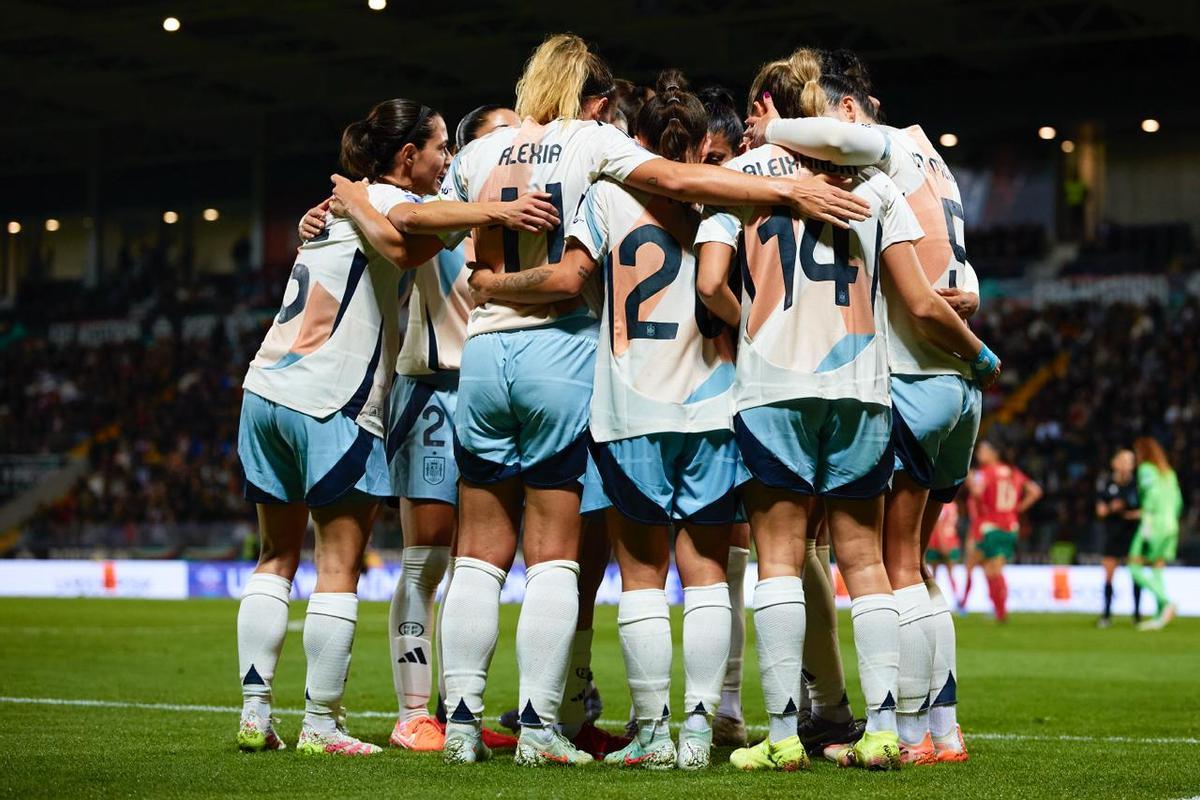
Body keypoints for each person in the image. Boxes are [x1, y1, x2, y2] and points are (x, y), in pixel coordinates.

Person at [420, 33, 871, 769]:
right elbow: (695, 225)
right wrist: (787, 186)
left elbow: (423, 224)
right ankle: (676, 729)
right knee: (649, 571)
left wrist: (480, 271)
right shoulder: (670, 182)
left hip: (557, 380)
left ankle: (473, 724)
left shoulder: (495, 160)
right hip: (688, 399)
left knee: (489, 557)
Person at [694, 49, 999, 773]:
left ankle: (780, 736)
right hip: (864, 388)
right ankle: (889, 730)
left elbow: (711, 284)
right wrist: (978, 333)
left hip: (774, 386)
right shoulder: (876, 185)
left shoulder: (735, 175)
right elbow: (922, 294)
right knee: (869, 564)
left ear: (769, 111)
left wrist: (759, 330)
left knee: (778, 558)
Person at [235, 98, 550, 757]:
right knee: (339, 564)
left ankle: (256, 711)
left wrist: (346, 205)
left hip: (265, 386)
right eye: (440, 147)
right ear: (409, 155)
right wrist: (497, 210)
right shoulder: (380, 196)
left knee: (274, 558)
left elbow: (395, 241)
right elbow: (402, 233)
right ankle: (322, 724)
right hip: (333, 398)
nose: (447, 159)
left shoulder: (350, 205)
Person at [469, 69, 738, 772]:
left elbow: (565, 279)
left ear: (634, 140)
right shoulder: (724, 205)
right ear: (704, 141)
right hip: (713, 404)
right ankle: (701, 732)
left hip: (629, 409)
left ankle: (651, 732)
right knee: (706, 571)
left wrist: (491, 284)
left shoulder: (606, 195)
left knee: (643, 576)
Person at [963, 442, 1042, 622]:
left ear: (994, 453)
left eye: (983, 451)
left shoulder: (985, 472)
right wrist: (1018, 508)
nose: (979, 454)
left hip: (991, 527)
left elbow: (977, 492)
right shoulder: (1013, 472)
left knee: (988, 568)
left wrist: (969, 481)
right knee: (993, 568)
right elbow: (1036, 491)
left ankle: (999, 610)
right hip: (1011, 527)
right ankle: (999, 609)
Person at [1130, 436, 1182, 630]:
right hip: (1171, 524)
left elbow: (1151, 495)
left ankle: (1166, 601)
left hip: (1154, 522)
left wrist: (1146, 518)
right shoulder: (1169, 472)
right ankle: (1160, 615)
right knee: (1157, 564)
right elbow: (1178, 501)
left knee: (1134, 565)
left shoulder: (1146, 470)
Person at [1095, 449, 1142, 627]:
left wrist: (1127, 513)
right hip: (1112, 534)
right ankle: (1106, 615)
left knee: (1136, 575)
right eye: (1122, 460)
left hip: (1132, 534)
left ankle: (1137, 616)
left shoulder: (1138, 485)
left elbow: (1145, 511)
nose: (1125, 464)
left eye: (1129, 461)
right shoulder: (1106, 483)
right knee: (1108, 575)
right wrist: (1111, 508)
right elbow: (1099, 511)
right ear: (1114, 463)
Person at [926, 500, 962, 599]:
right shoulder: (954, 505)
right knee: (950, 573)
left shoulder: (941, 505)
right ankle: (957, 599)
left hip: (938, 543)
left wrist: (942, 544)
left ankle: (933, 599)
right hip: (951, 542)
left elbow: (939, 526)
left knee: (933, 574)